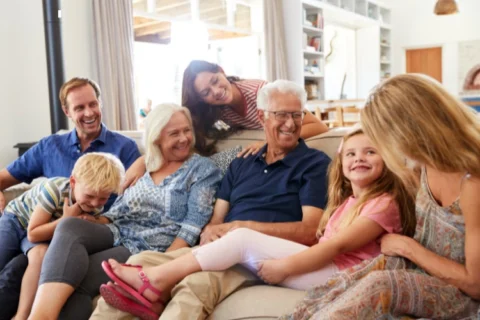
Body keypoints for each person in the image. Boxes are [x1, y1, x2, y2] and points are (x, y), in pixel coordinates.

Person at [99, 127, 416, 319]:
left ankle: (154, 280)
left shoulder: (380, 202)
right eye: (351, 154)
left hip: (338, 274)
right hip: (307, 260)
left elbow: (332, 246)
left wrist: (286, 266)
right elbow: (210, 186)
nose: (359, 158)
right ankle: (150, 280)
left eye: (370, 152)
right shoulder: (346, 200)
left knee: (241, 241)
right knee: (141, 259)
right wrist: (146, 159)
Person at [90, 79, 332, 320]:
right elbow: (216, 218)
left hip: (260, 256)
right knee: (138, 263)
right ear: (262, 117)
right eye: (281, 114)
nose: (290, 123)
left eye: (296, 115)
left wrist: (240, 228)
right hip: (221, 247)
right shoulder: (242, 162)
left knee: (196, 283)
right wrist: (210, 232)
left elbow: (309, 231)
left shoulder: (314, 164)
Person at [283, 74, 480, 320]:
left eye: (383, 140)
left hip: (462, 295)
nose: (388, 149)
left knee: (379, 284)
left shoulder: (472, 184)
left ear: (414, 131)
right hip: (416, 271)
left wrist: (409, 248)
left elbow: (475, 284)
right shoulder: (423, 167)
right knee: (344, 283)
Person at [27, 103, 222, 320]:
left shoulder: (202, 170)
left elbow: (193, 223)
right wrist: (94, 220)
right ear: (156, 137)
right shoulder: (147, 164)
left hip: (146, 245)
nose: (184, 138)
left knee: (80, 278)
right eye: (174, 133)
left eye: (187, 130)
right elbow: (119, 208)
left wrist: (164, 263)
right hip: (116, 229)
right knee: (69, 225)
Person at [0, 77, 141, 320]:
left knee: (20, 269)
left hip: (57, 236)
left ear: (100, 104)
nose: (89, 113)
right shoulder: (50, 146)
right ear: (67, 111)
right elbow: (4, 178)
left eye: (93, 104)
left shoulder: (125, 149)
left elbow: (130, 206)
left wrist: (144, 162)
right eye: (79, 107)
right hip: (24, 221)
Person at [0, 153, 125, 320]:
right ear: (73, 182)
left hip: (46, 228)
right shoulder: (54, 190)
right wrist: (66, 220)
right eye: (89, 196)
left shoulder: (93, 206)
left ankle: (21, 316)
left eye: (104, 198)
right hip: (17, 220)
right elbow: (33, 233)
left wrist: (95, 221)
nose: (95, 203)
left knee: (40, 255)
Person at [181, 60, 329, 156]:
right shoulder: (219, 109)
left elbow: (318, 126)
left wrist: (270, 142)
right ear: (201, 100)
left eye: (215, 80)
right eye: (206, 92)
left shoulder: (261, 92)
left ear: (221, 71)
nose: (217, 91)